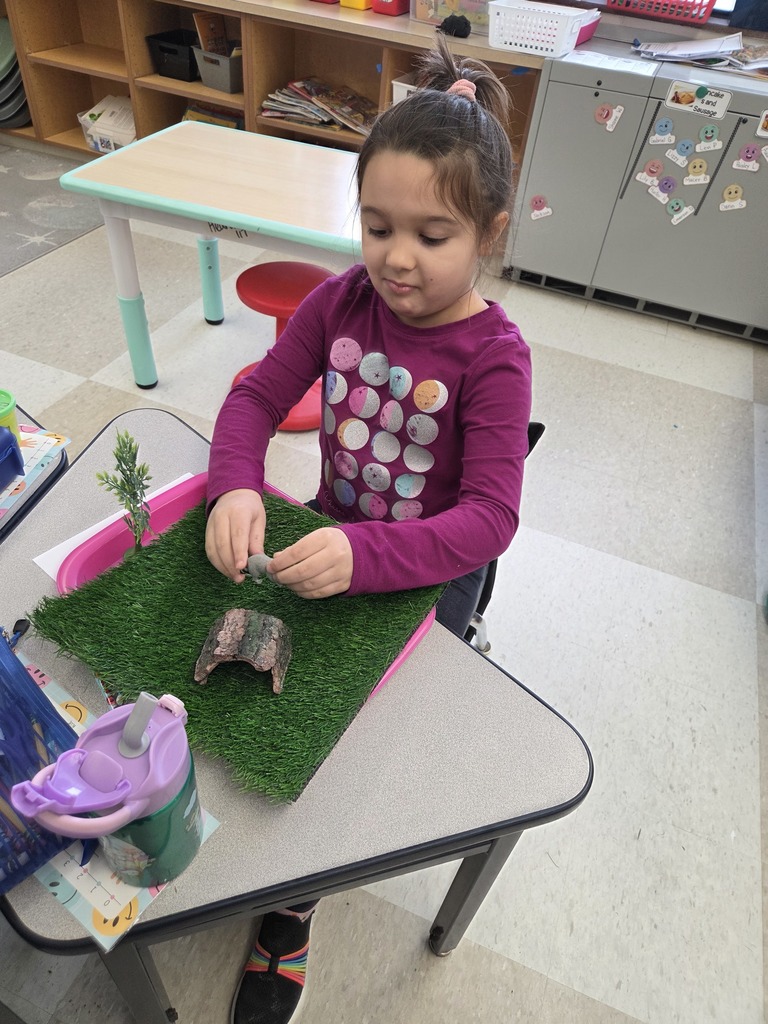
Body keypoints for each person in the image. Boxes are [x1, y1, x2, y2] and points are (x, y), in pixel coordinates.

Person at [205, 33, 532, 1024]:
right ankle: (268, 871)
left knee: (355, 755)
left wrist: (371, 555)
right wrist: (232, 483)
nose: (396, 257)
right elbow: (258, 394)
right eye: (376, 224)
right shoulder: (340, 300)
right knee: (277, 707)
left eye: (431, 236)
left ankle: (289, 911)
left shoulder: (497, 357)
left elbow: (490, 517)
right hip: (332, 541)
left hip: (428, 580)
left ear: (491, 235)